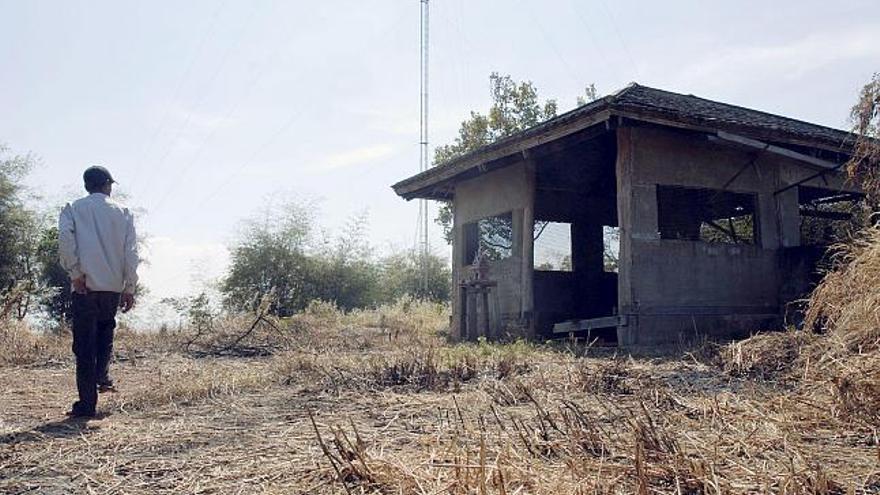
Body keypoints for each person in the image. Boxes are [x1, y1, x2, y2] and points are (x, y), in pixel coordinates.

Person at [58, 166, 139, 418]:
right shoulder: (123, 212)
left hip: (85, 286)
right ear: (106, 185)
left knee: (84, 346)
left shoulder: (72, 207)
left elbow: (65, 239)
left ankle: (87, 404)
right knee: (105, 332)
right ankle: (102, 377)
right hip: (112, 287)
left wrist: (75, 273)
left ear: (86, 186)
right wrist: (129, 287)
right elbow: (131, 253)